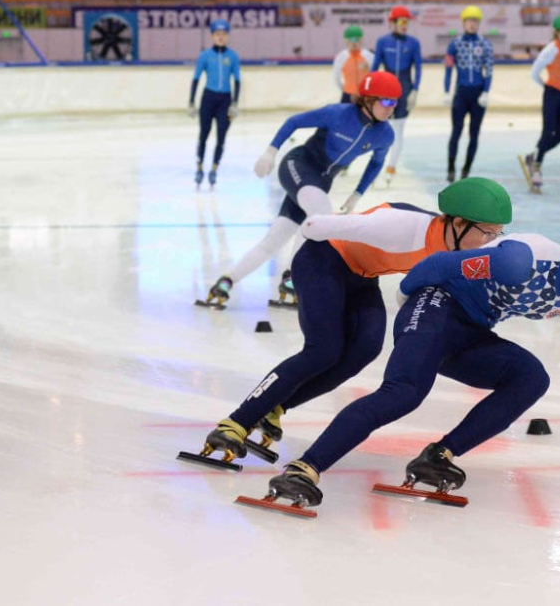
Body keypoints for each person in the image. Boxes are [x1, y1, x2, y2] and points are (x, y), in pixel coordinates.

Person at [259, 216, 560, 510]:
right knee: (404, 393)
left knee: (530, 377)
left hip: (471, 330)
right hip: (435, 308)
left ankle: (438, 456)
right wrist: (408, 297)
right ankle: (305, 468)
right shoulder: (524, 260)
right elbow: (441, 265)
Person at [186, 178, 514, 467]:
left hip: (362, 276)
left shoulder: (460, 245)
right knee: (323, 350)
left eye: (497, 234)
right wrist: (290, 273)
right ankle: (235, 422)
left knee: (365, 349)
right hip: (321, 259)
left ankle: (274, 407)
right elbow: (313, 225)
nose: (490, 241)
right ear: (458, 223)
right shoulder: (399, 226)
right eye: (487, 232)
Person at [198, 71, 402, 309]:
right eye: (386, 101)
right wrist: (271, 151)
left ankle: (226, 281)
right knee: (321, 210)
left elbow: (376, 163)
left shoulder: (385, 135)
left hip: (320, 182)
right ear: (368, 99)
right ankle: (291, 278)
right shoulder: (338, 114)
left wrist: (357, 194)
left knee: (275, 239)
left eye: (395, 102)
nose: (391, 108)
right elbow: (294, 121)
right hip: (298, 165)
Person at [520, 15, 560, 194]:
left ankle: (534, 156)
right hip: (552, 93)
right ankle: (537, 168)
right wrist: (547, 87)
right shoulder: (549, 50)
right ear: (556, 32)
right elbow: (534, 72)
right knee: (548, 131)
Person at [188, 19, 241, 189]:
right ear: (212, 36)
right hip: (208, 98)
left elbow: (237, 81)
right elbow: (196, 79)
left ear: (228, 36)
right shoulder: (204, 56)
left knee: (221, 137)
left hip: (225, 100)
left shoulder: (233, 56)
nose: (220, 37)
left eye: (224, 34)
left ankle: (213, 170)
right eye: (217, 34)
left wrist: (235, 103)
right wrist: (191, 101)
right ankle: (199, 168)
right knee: (203, 134)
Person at [373, 6, 423, 186]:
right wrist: (371, 90)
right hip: (385, 91)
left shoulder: (414, 43)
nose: (405, 25)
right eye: (402, 22)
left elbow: (418, 68)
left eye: (407, 22)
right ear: (392, 23)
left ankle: (391, 166)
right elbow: (374, 68)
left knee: (398, 130)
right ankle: (377, 165)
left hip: (404, 91)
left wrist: (415, 90)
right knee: (381, 128)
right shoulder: (382, 42)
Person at [445, 6, 494, 182]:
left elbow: (488, 70)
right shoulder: (455, 44)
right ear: (463, 22)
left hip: (478, 95)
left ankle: (466, 170)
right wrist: (446, 91)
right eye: (469, 21)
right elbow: (448, 69)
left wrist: (486, 92)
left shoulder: (485, 44)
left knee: (474, 133)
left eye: (475, 21)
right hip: (461, 94)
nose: (472, 24)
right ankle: (451, 167)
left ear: (479, 23)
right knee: (456, 132)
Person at [332, 26, 375, 103]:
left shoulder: (369, 56)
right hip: (348, 94)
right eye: (351, 39)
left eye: (357, 39)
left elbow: (374, 76)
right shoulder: (341, 57)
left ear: (362, 40)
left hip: (365, 94)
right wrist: (346, 89)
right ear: (346, 41)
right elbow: (336, 78)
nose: (354, 42)